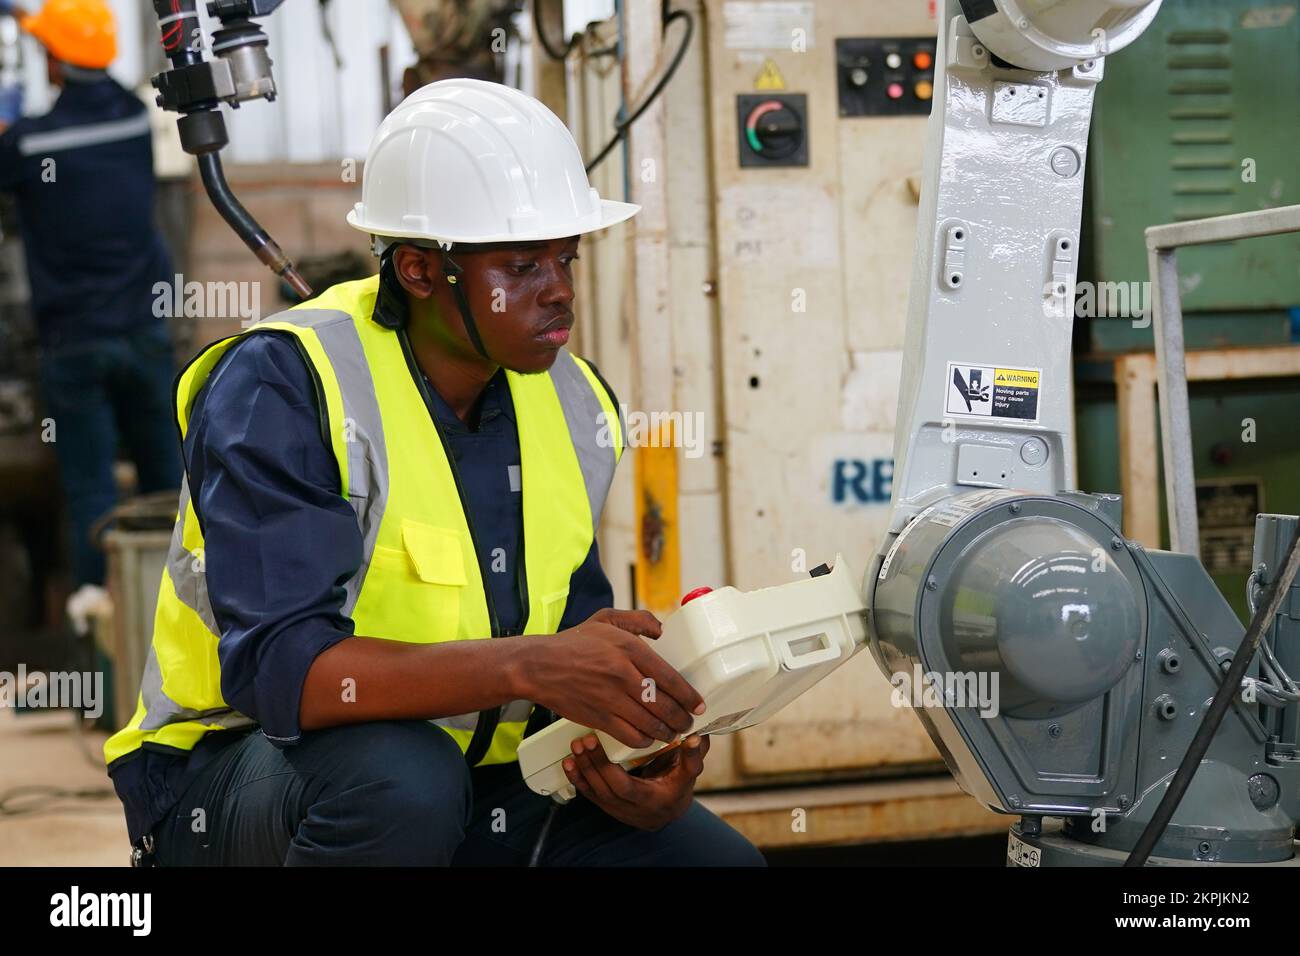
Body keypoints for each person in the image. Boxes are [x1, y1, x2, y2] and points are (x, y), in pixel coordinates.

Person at [103, 78, 766, 867]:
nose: (559, 290)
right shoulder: (286, 385)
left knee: (710, 863)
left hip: (474, 783)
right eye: (521, 266)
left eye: (566, 258)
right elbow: (283, 675)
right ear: (419, 271)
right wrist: (530, 664)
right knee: (399, 781)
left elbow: (568, 643)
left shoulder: (574, 399)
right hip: (244, 779)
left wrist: (636, 752)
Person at [0, 0, 181, 591]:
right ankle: (183, 612)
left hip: (74, 344)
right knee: (168, 486)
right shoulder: (132, 119)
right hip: (145, 334)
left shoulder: (27, 144)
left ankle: (98, 627)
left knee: (91, 493)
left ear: (55, 62)